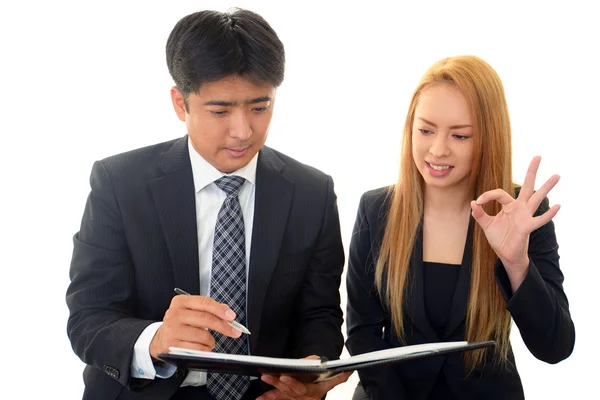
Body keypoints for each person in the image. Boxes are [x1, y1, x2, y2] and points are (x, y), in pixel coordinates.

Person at [66, 8, 350, 400]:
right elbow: (88, 318)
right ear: (180, 104)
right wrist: (156, 339)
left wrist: (307, 378)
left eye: (259, 106)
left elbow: (320, 315)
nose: (243, 131)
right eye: (220, 111)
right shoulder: (119, 183)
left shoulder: (312, 192)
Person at [345, 55, 575, 399]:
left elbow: (555, 347)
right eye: (425, 131)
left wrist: (516, 265)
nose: (437, 150)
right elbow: (362, 333)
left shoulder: (521, 212)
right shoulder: (377, 208)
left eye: (460, 136)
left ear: (488, 137)